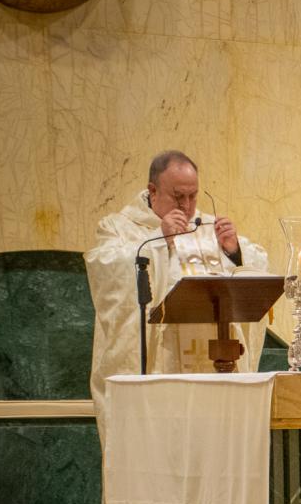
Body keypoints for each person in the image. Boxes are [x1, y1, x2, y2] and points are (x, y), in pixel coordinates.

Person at [85, 150, 267, 439]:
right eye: (178, 196)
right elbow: (107, 274)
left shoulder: (208, 227)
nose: (187, 205)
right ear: (152, 191)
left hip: (213, 378)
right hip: (160, 374)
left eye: (193, 196)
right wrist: (159, 242)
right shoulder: (119, 227)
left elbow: (256, 271)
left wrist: (233, 251)